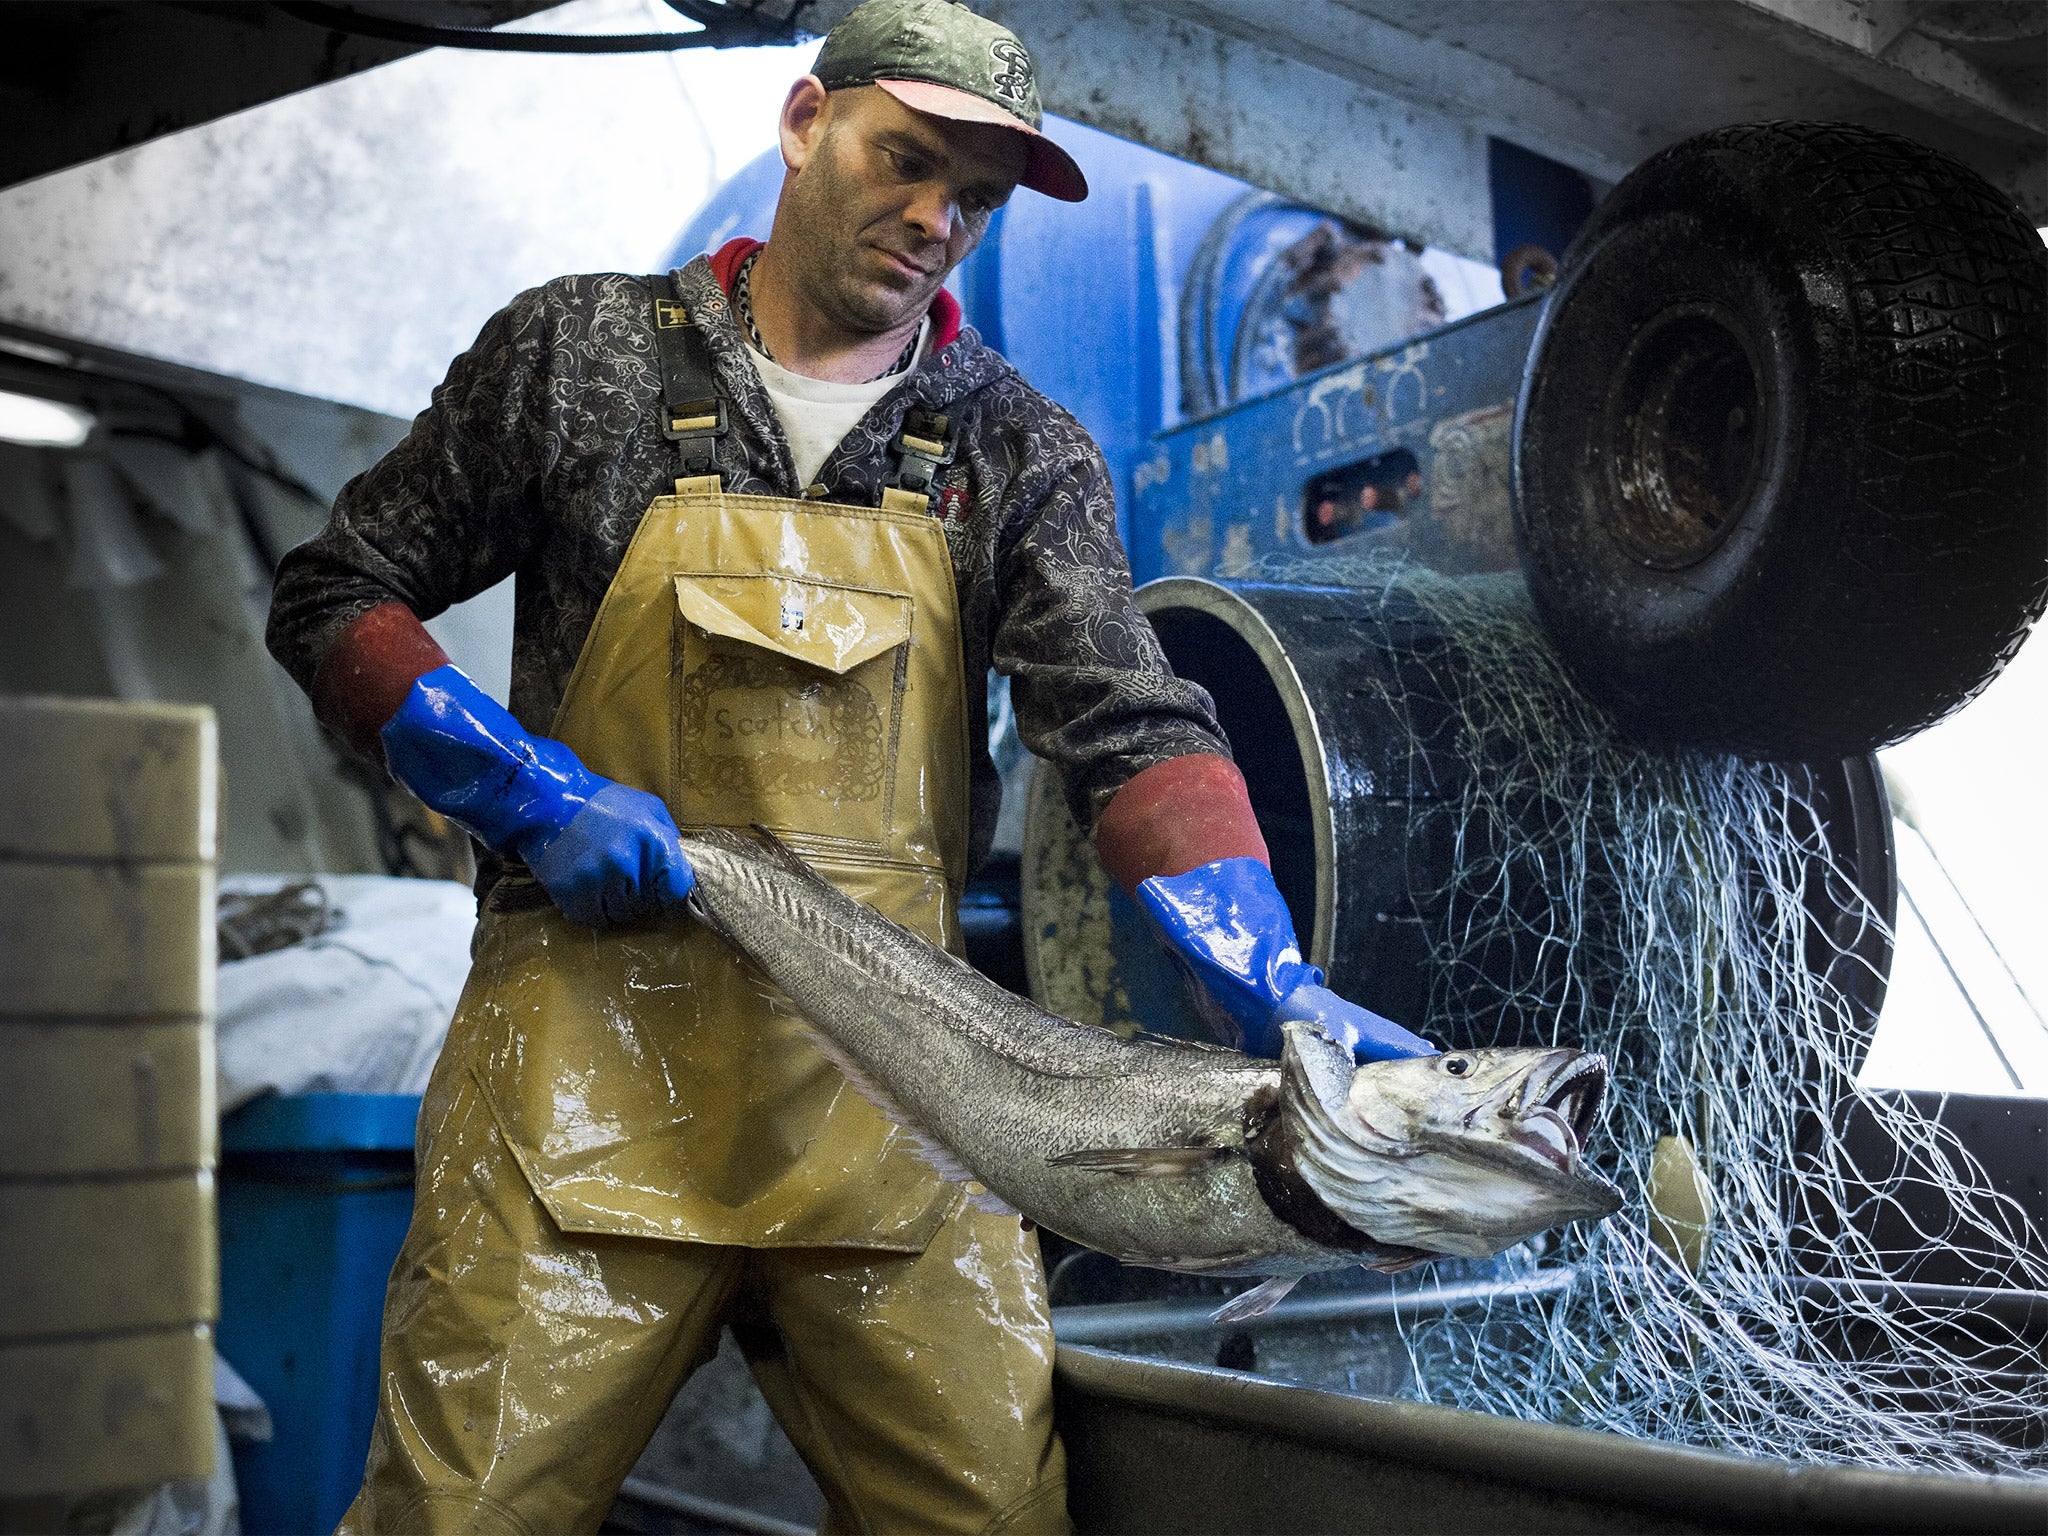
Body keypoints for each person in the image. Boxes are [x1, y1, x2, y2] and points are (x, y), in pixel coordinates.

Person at [266, 2, 1433, 1529]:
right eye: (906, 161)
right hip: (582, 1102)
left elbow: (1129, 727)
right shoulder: (582, 358)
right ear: (805, 124)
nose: (936, 219)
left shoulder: (1016, 449)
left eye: (975, 197)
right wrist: (524, 790)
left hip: (891, 1103)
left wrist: (1270, 977)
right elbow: (336, 593)